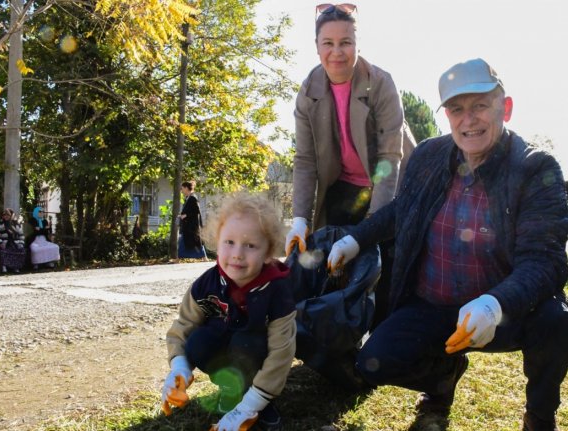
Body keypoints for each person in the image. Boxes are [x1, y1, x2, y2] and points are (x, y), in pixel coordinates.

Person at [327, 58, 568, 430]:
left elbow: (546, 262)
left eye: (481, 105)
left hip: (505, 308)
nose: (469, 119)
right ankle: (441, 380)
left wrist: (494, 305)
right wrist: (355, 239)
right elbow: (403, 210)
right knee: (374, 361)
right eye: (456, 109)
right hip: (433, 304)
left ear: (505, 108)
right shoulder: (430, 155)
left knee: (556, 323)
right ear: (446, 115)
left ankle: (540, 415)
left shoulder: (535, 168)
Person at [286, 1, 415, 333]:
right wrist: (300, 218)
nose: (337, 52)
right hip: (344, 186)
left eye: (346, 42)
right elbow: (305, 161)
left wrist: (373, 225)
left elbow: (390, 157)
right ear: (316, 48)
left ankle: (382, 335)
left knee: (385, 256)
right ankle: (340, 330)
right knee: (335, 260)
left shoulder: (381, 83)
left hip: (392, 183)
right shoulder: (308, 92)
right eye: (328, 43)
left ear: (357, 44)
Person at [162, 192, 296, 431]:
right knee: (198, 342)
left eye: (250, 245)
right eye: (229, 242)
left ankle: (257, 400)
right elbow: (181, 327)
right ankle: (230, 389)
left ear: (268, 253)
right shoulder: (206, 283)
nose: (237, 254)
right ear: (216, 241)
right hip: (225, 344)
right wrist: (179, 368)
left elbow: (281, 354)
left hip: (256, 353)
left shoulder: (278, 290)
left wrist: (251, 405)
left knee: (246, 343)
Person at [178, 180, 207, 259]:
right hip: (188, 226)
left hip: (191, 226)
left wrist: (185, 215)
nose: (181, 190)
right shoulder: (188, 198)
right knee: (187, 242)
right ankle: (179, 258)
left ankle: (204, 257)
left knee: (195, 242)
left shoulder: (193, 198)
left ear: (187, 188)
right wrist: (182, 215)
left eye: (182, 188)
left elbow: (196, 211)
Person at [0, 208, 26, 273]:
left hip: (15, 242)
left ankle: (16, 267)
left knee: (20, 250)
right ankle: (4, 267)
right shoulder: (0, 223)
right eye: (4, 215)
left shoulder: (16, 224)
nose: (6, 216)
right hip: (5, 242)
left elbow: (21, 235)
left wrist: (21, 243)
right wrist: (0, 242)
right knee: (4, 251)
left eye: (8, 215)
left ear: (11, 215)